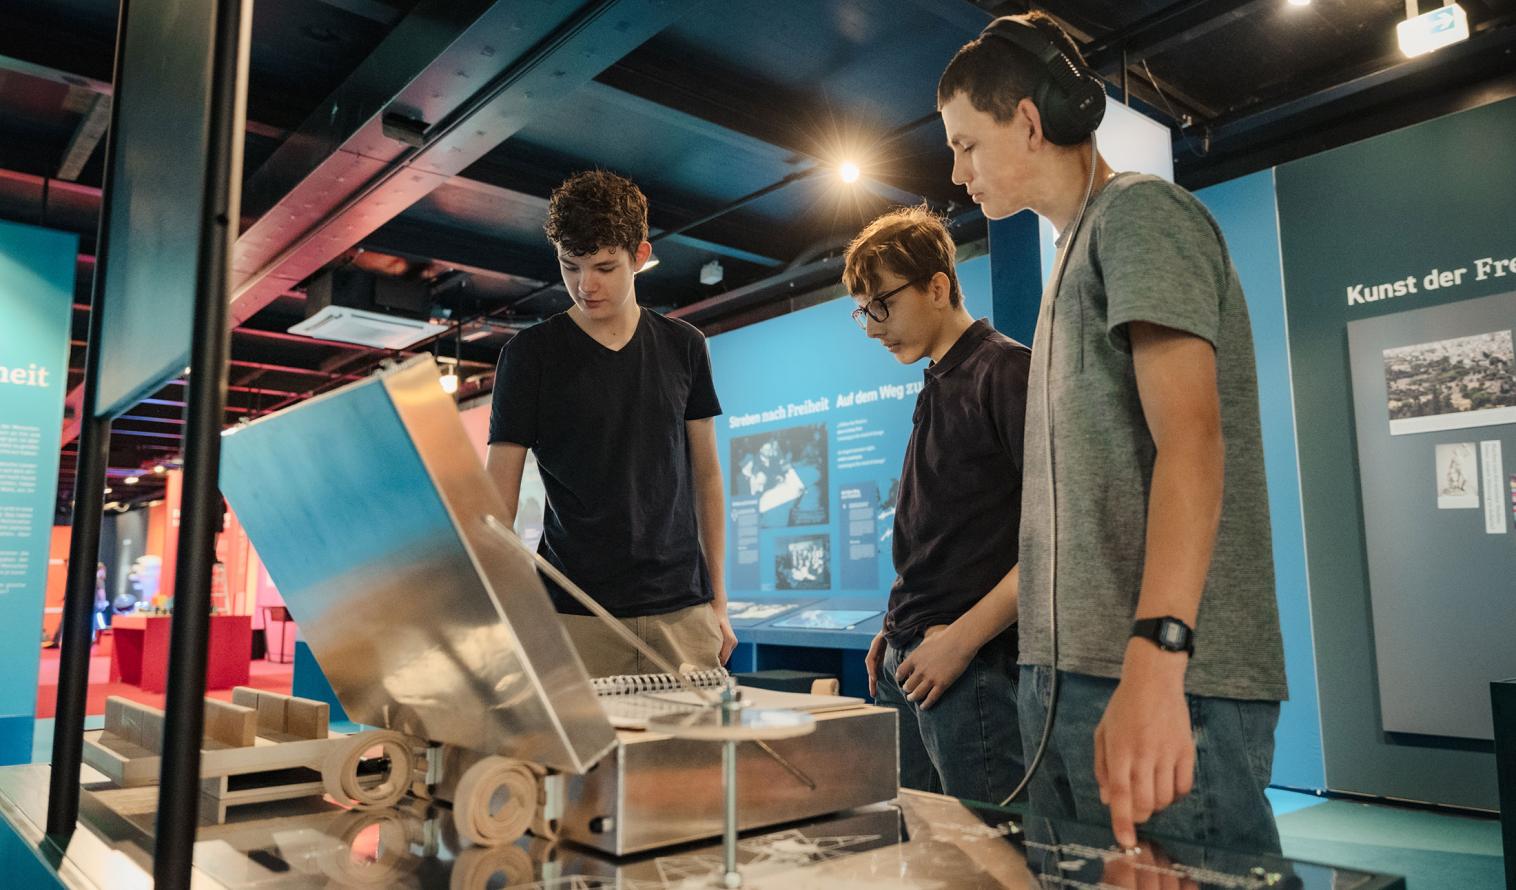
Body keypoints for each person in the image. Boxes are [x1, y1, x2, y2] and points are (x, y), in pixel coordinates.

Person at [936, 13, 1287, 851]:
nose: (957, 172)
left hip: (1162, 679)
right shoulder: (1071, 254)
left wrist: (1156, 663)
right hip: (1076, 677)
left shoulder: (1139, 218)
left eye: (966, 144)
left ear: (1027, 121)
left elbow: (1193, 444)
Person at [486, 170, 736, 677]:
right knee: (583, 760)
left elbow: (706, 476)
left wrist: (721, 602)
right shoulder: (528, 356)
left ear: (640, 256)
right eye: (570, 266)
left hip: (681, 611)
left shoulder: (684, 346)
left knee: (691, 758)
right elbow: (497, 498)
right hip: (573, 613)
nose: (584, 285)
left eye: (604, 267)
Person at [846, 206, 1030, 804]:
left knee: (990, 858)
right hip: (913, 658)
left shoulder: (1004, 371)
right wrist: (897, 626)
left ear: (938, 286)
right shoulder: (938, 379)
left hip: (968, 665)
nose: (873, 328)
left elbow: (1057, 538)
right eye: (864, 312)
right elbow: (946, 536)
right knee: (924, 850)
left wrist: (961, 640)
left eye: (883, 305)